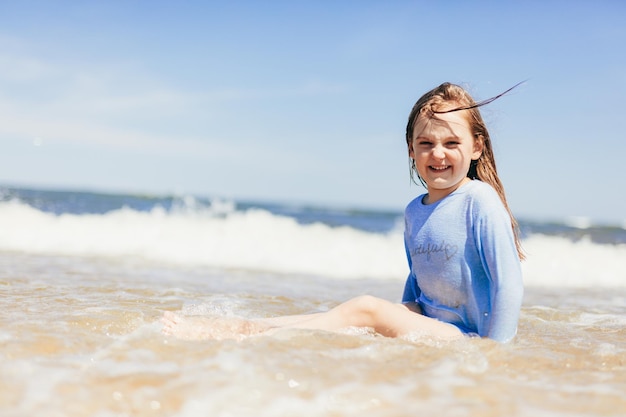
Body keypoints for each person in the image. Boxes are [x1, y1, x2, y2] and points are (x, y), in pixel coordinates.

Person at [162, 82, 525, 343]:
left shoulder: (480, 201)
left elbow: (508, 284)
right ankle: (248, 326)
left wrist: (494, 354)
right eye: (426, 143)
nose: (438, 153)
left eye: (451, 143)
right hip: (430, 327)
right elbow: (416, 285)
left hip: (467, 336)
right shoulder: (415, 211)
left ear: (476, 147)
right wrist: (397, 322)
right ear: (411, 151)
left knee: (364, 308)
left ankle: (247, 334)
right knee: (340, 317)